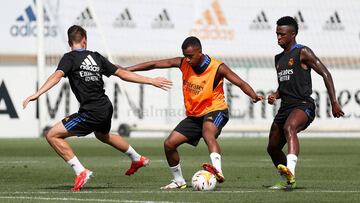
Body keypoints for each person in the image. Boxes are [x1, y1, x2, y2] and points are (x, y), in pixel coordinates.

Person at [22, 25, 172, 191]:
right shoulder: (96, 57)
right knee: (103, 135)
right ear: (85, 39)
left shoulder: (69, 58)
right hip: (106, 107)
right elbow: (123, 73)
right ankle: (137, 158)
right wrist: (151, 81)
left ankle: (81, 171)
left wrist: (37, 93)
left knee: (52, 135)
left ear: (69, 41)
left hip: (91, 111)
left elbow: (57, 76)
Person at [127, 36, 263, 189]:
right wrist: (125, 70)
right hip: (195, 116)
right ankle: (179, 181)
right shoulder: (183, 63)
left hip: (216, 110)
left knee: (208, 133)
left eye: (190, 56)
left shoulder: (217, 67)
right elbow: (154, 64)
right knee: (169, 144)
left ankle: (217, 169)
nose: (188, 59)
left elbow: (240, 82)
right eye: (185, 55)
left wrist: (253, 95)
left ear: (200, 52)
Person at [267, 16, 344, 190]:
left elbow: (326, 73)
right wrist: (275, 95)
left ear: (293, 34)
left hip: (303, 105)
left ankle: (291, 171)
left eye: (282, 34)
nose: (278, 37)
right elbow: (284, 85)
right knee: (272, 148)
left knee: (290, 127)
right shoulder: (278, 58)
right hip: (285, 107)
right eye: (277, 34)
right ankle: (287, 180)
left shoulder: (303, 52)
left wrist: (334, 102)